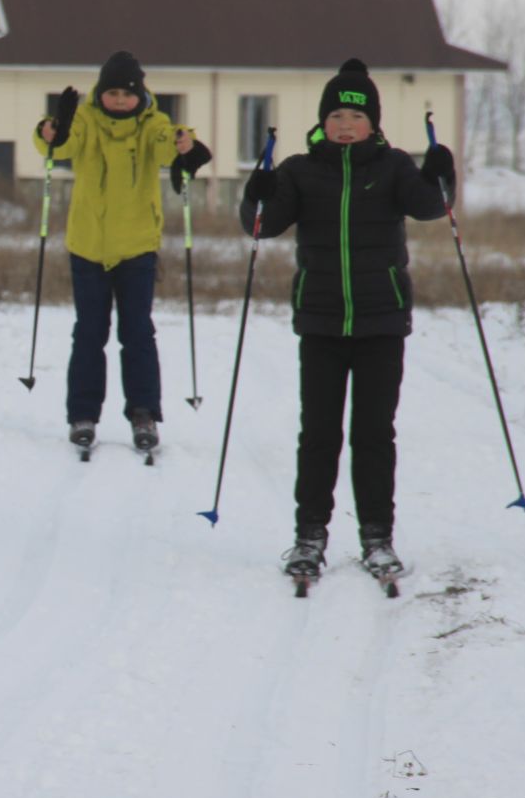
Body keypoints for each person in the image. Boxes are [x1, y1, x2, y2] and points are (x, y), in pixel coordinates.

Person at [238, 59, 455, 583]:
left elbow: (432, 206)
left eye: (353, 116)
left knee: (374, 433)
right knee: (318, 434)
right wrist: (256, 191)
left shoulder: (395, 166)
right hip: (321, 322)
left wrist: (440, 171)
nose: (343, 124)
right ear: (323, 120)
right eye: (334, 114)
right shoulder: (299, 169)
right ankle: (309, 536)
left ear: (372, 123)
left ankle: (377, 538)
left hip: (381, 321)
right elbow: (263, 227)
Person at [31, 50, 211, 455]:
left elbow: (167, 145)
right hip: (89, 247)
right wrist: (50, 129)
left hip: (137, 248)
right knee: (89, 333)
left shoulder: (153, 123)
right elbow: (62, 144)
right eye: (111, 92)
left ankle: (144, 413)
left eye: (126, 94)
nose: (119, 100)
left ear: (140, 95)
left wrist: (184, 140)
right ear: (101, 93)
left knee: (138, 333)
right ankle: (84, 415)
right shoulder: (86, 121)